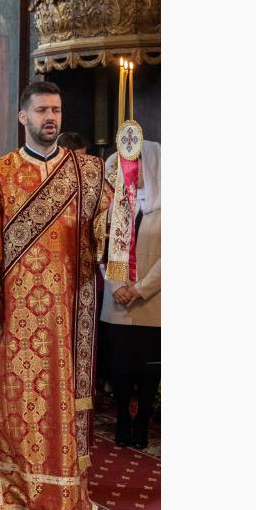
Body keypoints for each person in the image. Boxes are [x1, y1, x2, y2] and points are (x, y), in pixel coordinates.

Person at [0, 80, 112, 510]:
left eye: (56, 110)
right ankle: (16, 494)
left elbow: (107, 232)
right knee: (19, 404)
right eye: (42, 110)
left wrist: (120, 200)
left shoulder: (87, 171)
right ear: (23, 116)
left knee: (64, 404)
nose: (51, 118)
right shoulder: (0, 173)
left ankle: (65, 492)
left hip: (70, 309)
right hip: (19, 311)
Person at [101, 141, 160, 448]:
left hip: (153, 303)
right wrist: (117, 286)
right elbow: (104, 246)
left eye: (137, 166)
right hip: (118, 303)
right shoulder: (119, 204)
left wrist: (139, 289)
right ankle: (123, 416)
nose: (132, 173)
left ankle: (143, 419)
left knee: (148, 369)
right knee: (120, 366)